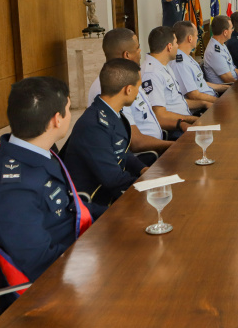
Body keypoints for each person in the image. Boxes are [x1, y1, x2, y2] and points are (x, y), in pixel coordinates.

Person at [0, 77, 104, 284]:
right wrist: (102, 255)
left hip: (78, 247)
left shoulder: (32, 151)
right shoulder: (13, 191)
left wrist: (118, 215)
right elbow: (42, 265)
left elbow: (70, 207)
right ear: (57, 119)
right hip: (60, 282)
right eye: (69, 108)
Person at [63, 59, 149, 206]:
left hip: (114, 190)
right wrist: (151, 185)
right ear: (128, 89)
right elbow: (113, 180)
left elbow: (122, 152)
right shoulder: (94, 125)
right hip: (98, 203)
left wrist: (143, 169)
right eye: (138, 87)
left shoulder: (110, 113)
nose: (138, 92)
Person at [86, 28, 173, 153]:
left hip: (157, 146)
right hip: (145, 155)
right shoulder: (110, 88)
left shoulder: (130, 78)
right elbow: (135, 142)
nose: (140, 51)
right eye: (137, 48)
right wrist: (174, 145)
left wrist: (179, 124)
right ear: (127, 55)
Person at [141, 26, 202, 136]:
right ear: (169, 47)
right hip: (176, 129)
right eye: (176, 43)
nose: (178, 46)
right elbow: (160, 115)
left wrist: (204, 103)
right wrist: (193, 119)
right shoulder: (152, 73)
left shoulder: (165, 66)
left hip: (185, 121)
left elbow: (177, 101)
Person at [170, 20, 227, 104]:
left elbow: (201, 84)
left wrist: (226, 87)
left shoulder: (187, 57)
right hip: (203, 107)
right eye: (196, 35)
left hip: (212, 98)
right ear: (190, 38)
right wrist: (220, 102)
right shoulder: (180, 63)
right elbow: (194, 95)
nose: (197, 38)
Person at [203, 15, 238, 84]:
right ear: (225, 32)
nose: (233, 30)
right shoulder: (215, 52)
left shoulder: (221, 44)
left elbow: (233, 70)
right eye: (231, 28)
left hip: (233, 85)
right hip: (226, 91)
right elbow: (229, 79)